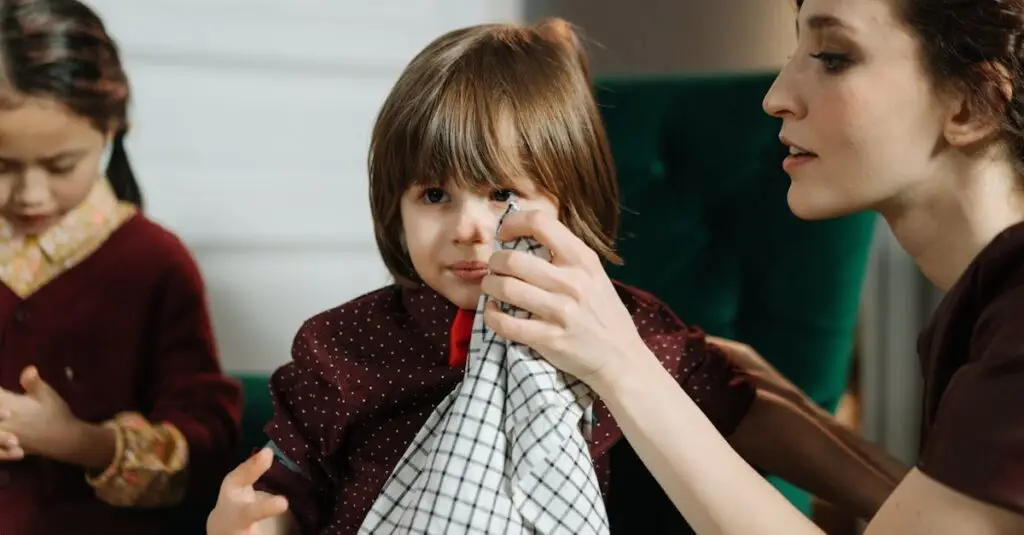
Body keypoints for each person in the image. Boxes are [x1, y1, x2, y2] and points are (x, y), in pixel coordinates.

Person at [207, 17, 905, 535]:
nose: (468, 228)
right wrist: (245, 522)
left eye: (502, 194)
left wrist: (897, 500)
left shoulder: (607, 322)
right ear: (393, 206)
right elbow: (288, 487)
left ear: (565, 203)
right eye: (433, 195)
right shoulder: (343, 342)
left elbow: (740, 409)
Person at [478, 0, 1024, 533]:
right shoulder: (984, 310)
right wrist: (797, 412)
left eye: (833, 56)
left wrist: (622, 364)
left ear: (970, 106)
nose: (776, 97)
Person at [0, 1, 243, 533]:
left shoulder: (154, 263)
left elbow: (207, 447)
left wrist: (76, 440)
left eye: (61, 165)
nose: (30, 194)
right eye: (1, 166)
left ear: (112, 130)